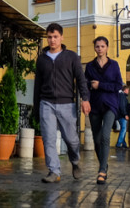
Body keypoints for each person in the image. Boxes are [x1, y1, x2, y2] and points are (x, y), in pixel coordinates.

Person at [34, 23, 90, 183]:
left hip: (67, 103)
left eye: (55, 37)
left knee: (71, 139)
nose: (52, 40)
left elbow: (81, 80)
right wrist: (36, 109)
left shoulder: (71, 57)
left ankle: (75, 161)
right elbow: (37, 85)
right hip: (46, 103)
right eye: (49, 37)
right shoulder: (41, 60)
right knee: (48, 138)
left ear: (62, 37)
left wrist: (85, 99)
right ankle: (54, 171)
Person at [85, 35, 124, 185]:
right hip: (94, 105)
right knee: (96, 139)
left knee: (105, 135)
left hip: (110, 105)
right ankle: (103, 163)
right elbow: (85, 85)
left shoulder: (114, 65)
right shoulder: (89, 66)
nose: (100, 49)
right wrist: (86, 98)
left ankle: (102, 170)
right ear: (94, 48)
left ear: (107, 48)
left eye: (102, 46)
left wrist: (100, 85)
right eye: (97, 46)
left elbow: (118, 86)